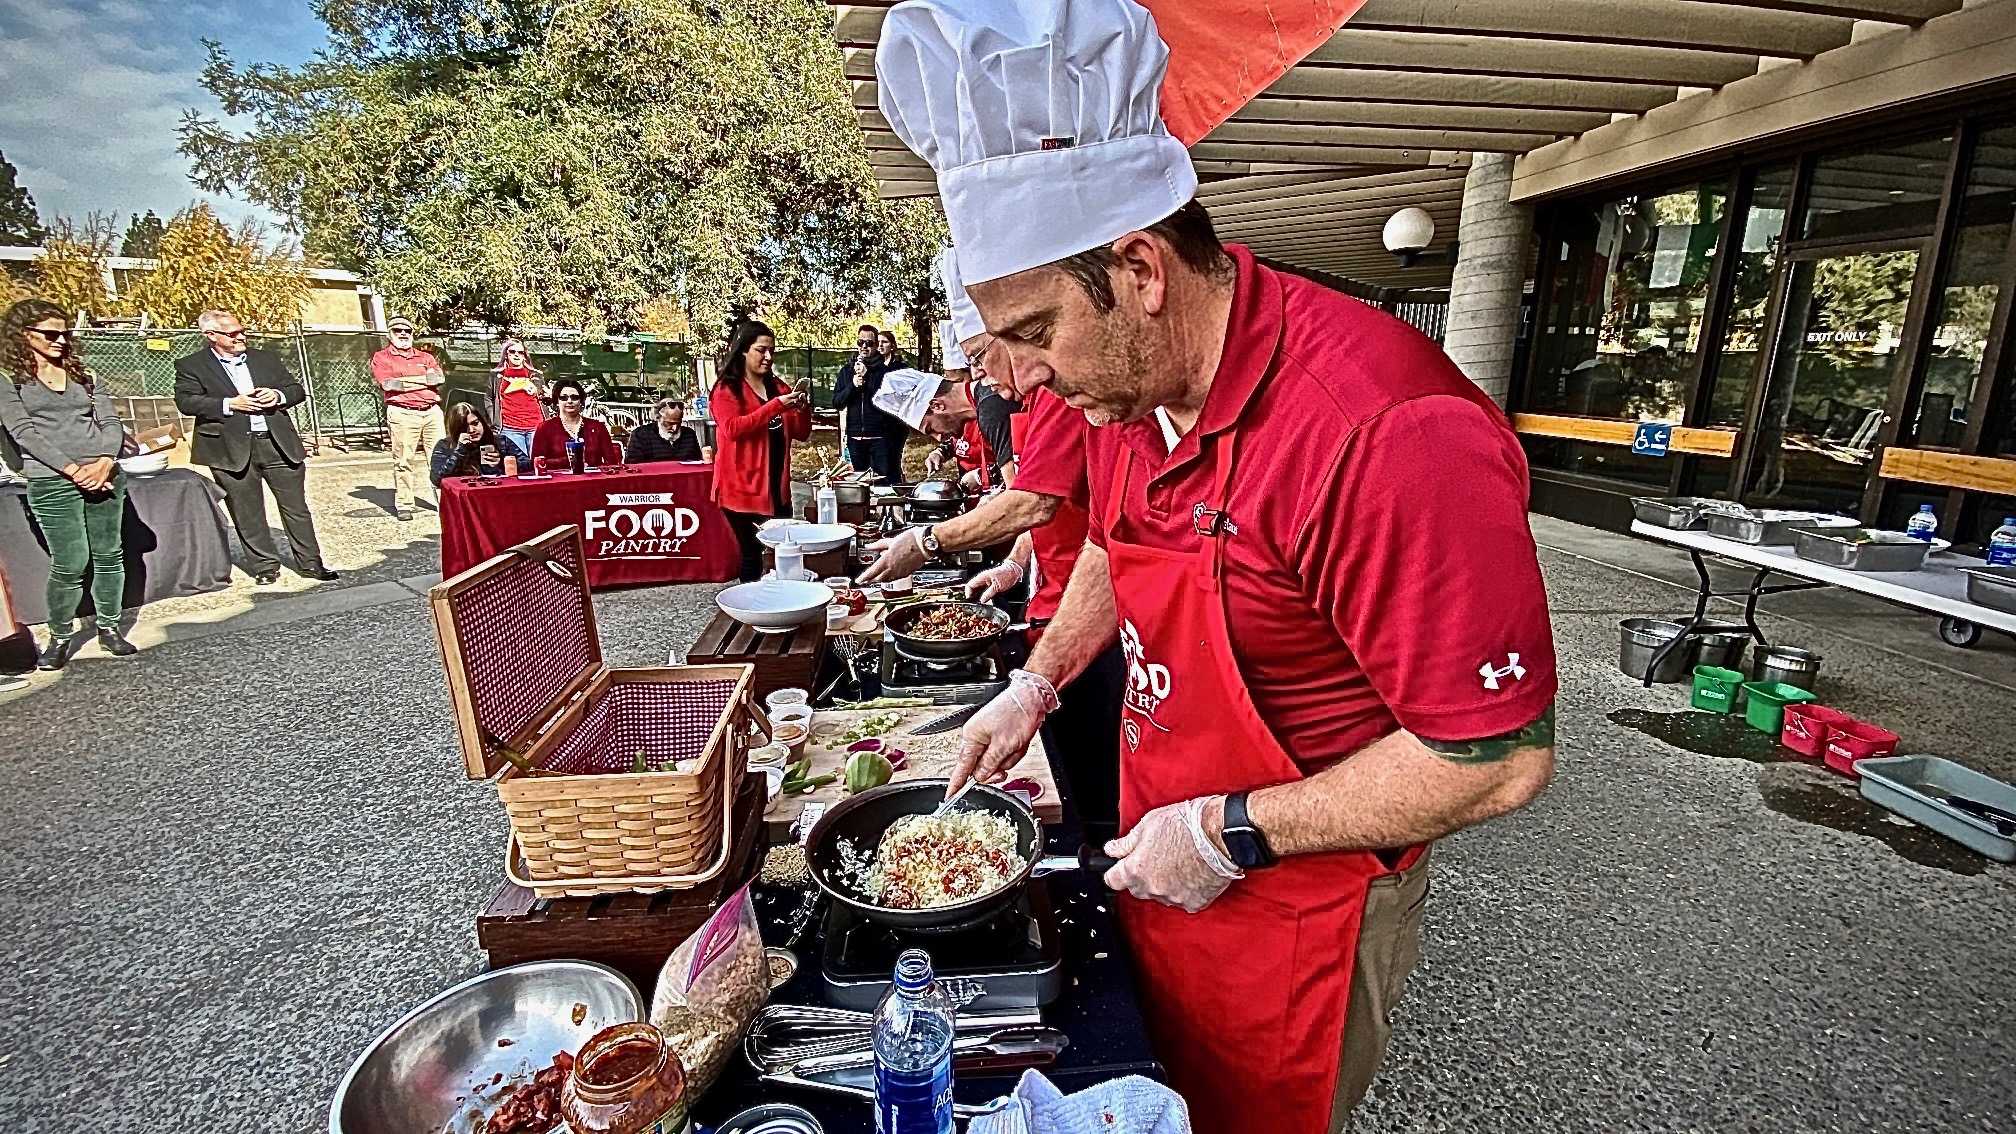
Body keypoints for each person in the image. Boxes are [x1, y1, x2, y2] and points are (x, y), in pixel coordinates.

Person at [878, 3, 1557, 1130]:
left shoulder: (1387, 433)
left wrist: (1231, 832)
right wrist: (1039, 683)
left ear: (1139, 268)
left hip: (1302, 907)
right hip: (1167, 849)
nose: (1026, 381)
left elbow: (1493, 760)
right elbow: (1115, 543)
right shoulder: (1124, 385)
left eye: (1038, 332)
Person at [0, 299, 137, 667]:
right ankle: (60, 636)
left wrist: (105, 462)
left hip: (105, 475)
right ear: (24, 335)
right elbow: (23, 432)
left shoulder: (85, 374)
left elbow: (110, 422)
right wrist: (75, 471)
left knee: (109, 555)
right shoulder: (8, 378)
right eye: (50, 334)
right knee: (71, 561)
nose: (60, 340)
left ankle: (109, 627)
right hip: (51, 478)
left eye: (65, 333)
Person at [175, 309, 338, 587]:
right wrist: (229, 404)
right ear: (211, 336)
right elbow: (187, 402)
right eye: (233, 334)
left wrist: (278, 395)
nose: (241, 337)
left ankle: (311, 563)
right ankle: (264, 566)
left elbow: (296, 390)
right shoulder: (192, 365)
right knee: (246, 511)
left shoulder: (264, 359)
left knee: (296, 508)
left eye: (242, 330)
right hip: (231, 448)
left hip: (276, 443)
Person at [710, 320, 811, 581]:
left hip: (777, 488)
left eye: (771, 351)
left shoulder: (778, 387)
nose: (768, 357)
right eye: (761, 350)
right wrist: (774, 407)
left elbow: (801, 433)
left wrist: (801, 409)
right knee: (752, 554)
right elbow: (732, 428)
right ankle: (753, 613)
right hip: (742, 490)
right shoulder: (726, 389)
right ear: (743, 350)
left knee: (783, 554)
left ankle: (783, 608)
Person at [370, 315, 446, 521]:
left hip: (431, 412)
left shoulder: (425, 357)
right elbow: (389, 385)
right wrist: (424, 381)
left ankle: (445, 504)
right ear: (390, 334)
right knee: (403, 460)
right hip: (402, 412)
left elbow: (439, 379)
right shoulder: (382, 357)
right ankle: (405, 504)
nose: (403, 334)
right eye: (398, 330)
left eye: (407, 331)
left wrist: (404, 382)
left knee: (440, 459)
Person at [830, 323, 900, 481]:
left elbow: (888, 401)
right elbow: (837, 402)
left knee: (884, 486)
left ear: (876, 345)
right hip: (855, 439)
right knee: (858, 487)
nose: (864, 347)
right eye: (860, 342)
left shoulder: (886, 372)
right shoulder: (847, 370)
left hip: (880, 439)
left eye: (869, 343)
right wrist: (853, 386)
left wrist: (867, 378)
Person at [530, 378, 621, 470]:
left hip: (593, 481)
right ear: (557, 401)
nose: (569, 401)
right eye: (563, 398)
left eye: (574, 397)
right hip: (558, 482)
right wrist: (571, 461)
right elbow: (537, 463)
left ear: (581, 401)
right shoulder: (545, 428)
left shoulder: (598, 427)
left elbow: (611, 462)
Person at [429, 402, 526, 485]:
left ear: (482, 422)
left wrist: (502, 463)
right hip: (465, 499)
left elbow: (528, 464)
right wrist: (459, 452)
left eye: (475, 423)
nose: (471, 430)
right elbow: (437, 479)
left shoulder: (500, 441)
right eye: (464, 427)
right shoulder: (445, 445)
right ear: (456, 430)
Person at [491, 338, 547, 457]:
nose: (516, 355)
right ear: (506, 354)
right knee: (519, 467)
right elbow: (488, 399)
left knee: (539, 464)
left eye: (520, 352)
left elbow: (544, 397)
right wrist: (494, 420)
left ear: (524, 355)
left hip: (536, 427)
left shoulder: (536, 375)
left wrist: (537, 389)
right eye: (512, 352)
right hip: (510, 428)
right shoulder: (496, 376)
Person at [626, 398, 703, 463]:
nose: (675, 428)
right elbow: (632, 465)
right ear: (658, 418)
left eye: (678, 423)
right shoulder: (640, 435)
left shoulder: (689, 434)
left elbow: (697, 461)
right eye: (669, 423)